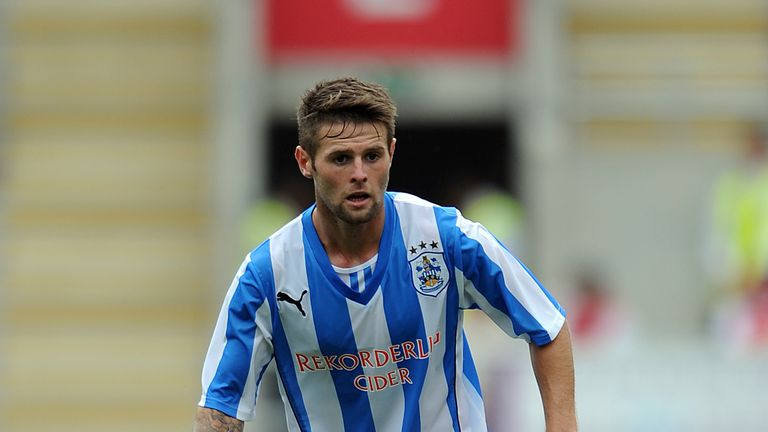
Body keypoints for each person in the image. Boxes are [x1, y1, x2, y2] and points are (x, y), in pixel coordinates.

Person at [194, 77, 577, 431]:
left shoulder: (447, 239)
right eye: (341, 158)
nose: (359, 173)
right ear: (305, 162)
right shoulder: (265, 275)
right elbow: (220, 407)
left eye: (372, 156)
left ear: (391, 153)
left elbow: (548, 326)